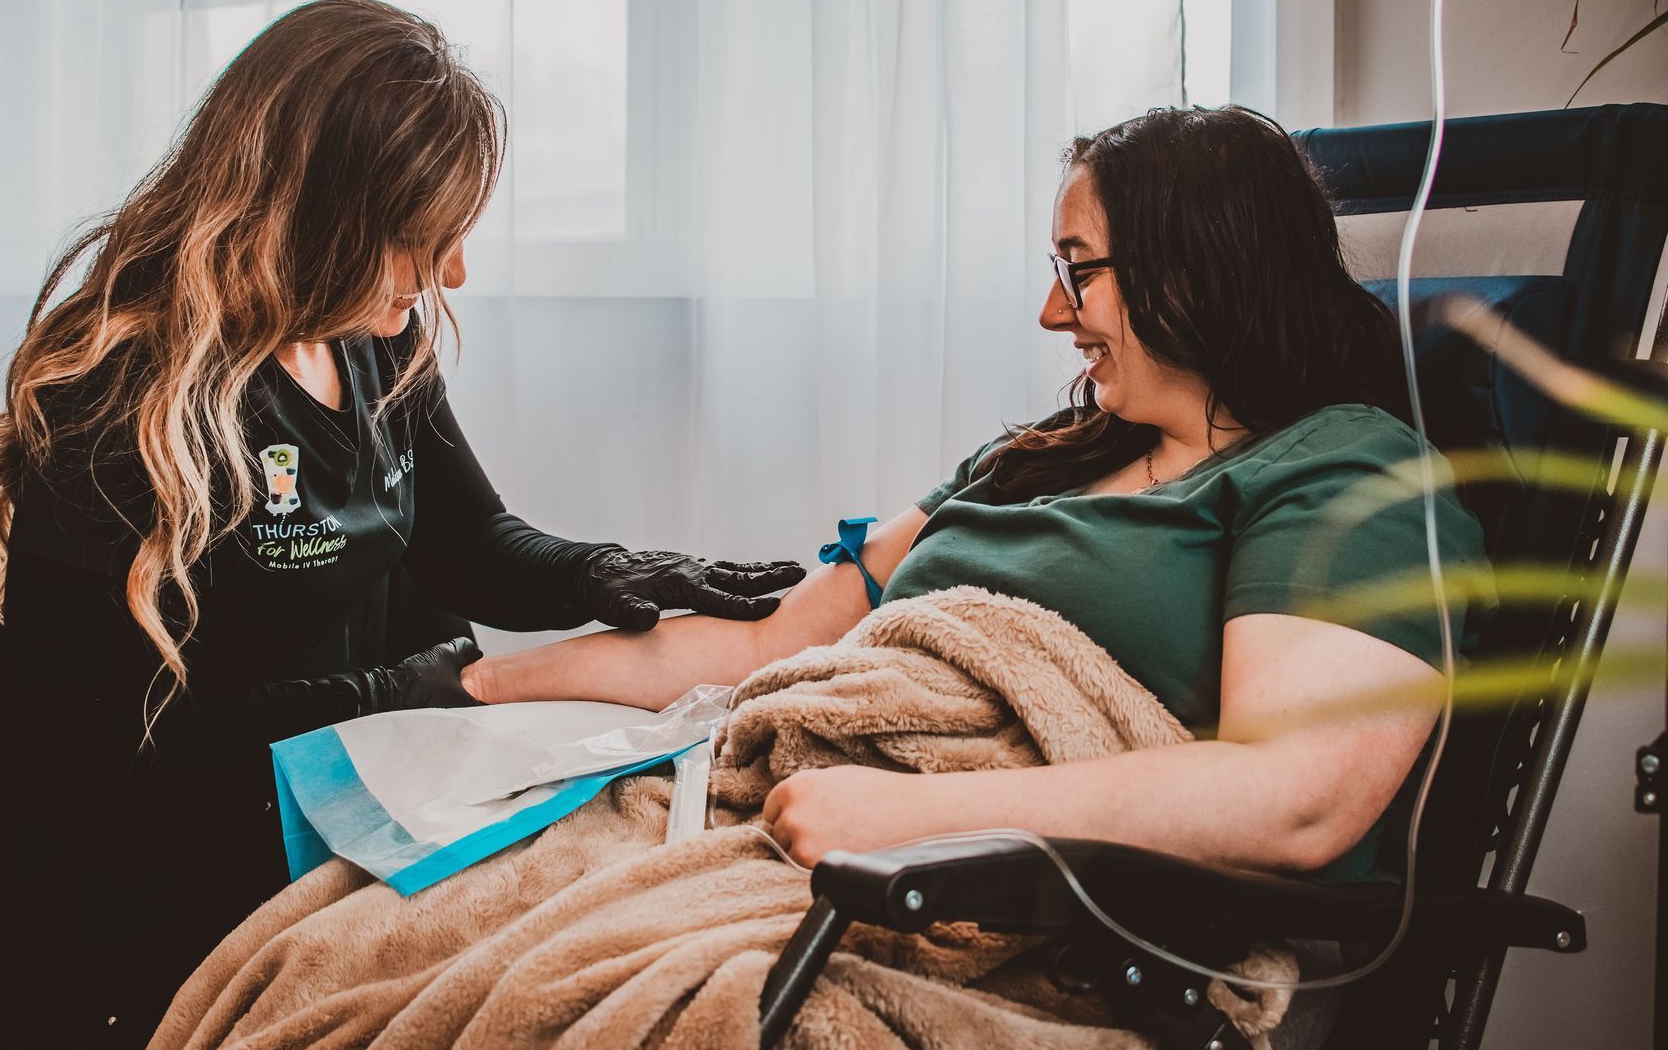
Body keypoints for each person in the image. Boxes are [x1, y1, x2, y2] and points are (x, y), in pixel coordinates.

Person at [452, 105, 1493, 1043]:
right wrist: (474, 687)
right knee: (450, 917)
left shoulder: (1346, 475)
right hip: (803, 823)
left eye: (1080, 270)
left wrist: (913, 817)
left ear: (1194, 267)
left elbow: (1297, 799)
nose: (1052, 311)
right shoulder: (1038, 457)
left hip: (1031, 919)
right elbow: (771, 646)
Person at [0, 0, 804, 1045]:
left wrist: (605, 572)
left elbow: (467, 542)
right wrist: (400, 696)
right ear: (316, 211)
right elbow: (99, 738)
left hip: (339, 803)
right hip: (135, 876)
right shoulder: (121, 389)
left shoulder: (373, 338)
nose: (452, 274)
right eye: (420, 239)